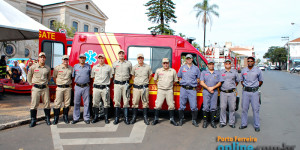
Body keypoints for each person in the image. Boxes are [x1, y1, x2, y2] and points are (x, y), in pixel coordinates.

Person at [152, 58, 178, 126]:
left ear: (169, 63)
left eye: (167, 63)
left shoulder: (173, 71)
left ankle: (172, 119)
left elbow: (175, 80)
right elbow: (155, 79)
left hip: (169, 90)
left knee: (171, 105)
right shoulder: (158, 70)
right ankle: (156, 119)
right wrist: (158, 85)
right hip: (161, 90)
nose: (165, 64)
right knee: (158, 105)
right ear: (162, 64)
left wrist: (170, 85)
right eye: (164, 63)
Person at [27, 52, 51, 127]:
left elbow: (49, 77)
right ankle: (33, 120)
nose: (42, 58)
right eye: (41, 57)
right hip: (36, 88)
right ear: (39, 58)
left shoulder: (47, 68)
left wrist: (45, 83)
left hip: (45, 87)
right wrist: (31, 84)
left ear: (45, 58)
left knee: (47, 104)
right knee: (34, 104)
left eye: (44, 57)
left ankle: (47, 119)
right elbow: (29, 76)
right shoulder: (33, 67)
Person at [240, 56, 263, 132]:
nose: (250, 62)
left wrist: (254, 87)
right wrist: (246, 86)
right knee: (244, 109)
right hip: (246, 92)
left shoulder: (258, 70)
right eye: (248, 61)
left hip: (254, 92)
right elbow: (241, 81)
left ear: (254, 62)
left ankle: (257, 125)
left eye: (251, 61)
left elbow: (260, 81)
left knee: (255, 109)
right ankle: (244, 124)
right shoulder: (244, 70)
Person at [177, 54, 201, 127]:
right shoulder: (182, 68)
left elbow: (198, 78)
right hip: (183, 89)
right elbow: (179, 77)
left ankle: (194, 120)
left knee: (194, 106)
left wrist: (194, 83)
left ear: (192, 59)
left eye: (190, 58)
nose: (188, 60)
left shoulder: (196, 68)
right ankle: (181, 119)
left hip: (192, 90)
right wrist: (181, 82)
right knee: (181, 105)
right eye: (187, 58)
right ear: (186, 60)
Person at [200, 59, 223, 128]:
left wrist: (212, 88)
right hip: (206, 91)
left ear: (214, 65)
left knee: (213, 107)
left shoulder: (218, 73)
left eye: (212, 64)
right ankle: (205, 121)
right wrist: (208, 88)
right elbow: (201, 82)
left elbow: (220, 82)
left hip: (214, 91)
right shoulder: (204, 72)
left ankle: (212, 122)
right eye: (210, 64)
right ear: (207, 65)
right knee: (205, 107)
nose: (211, 65)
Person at [130, 54, 152, 125]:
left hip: (144, 88)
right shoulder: (134, 67)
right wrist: (137, 82)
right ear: (137, 59)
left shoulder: (147, 67)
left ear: (143, 59)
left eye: (141, 58)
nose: (140, 59)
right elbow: (133, 76)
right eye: (139, 58)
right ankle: (134, 117)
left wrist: (145, 82)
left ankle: (145, 118)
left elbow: (150, 76)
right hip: (136, 88)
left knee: (145, 103)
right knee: (135, 103)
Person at [112, 49, 132, 125]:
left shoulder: (129, 64)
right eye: (120, 53)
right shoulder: (114, 64)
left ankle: (126, 118)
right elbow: (113, 74)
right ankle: (117, 118)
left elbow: (130, 74)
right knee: (117, 101)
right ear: (118, 55)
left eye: (122, 53)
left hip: (125, 84)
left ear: (124, 55)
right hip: (117, 84)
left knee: (126, 101)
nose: (121, 55)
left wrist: (125, 80)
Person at [91, 54, 112, 124]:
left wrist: (106, 83)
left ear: (104, 59)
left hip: (105, 88)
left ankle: (106, 118)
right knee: (95, 103)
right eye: (99, 58)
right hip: (96, 88)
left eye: (102, 58)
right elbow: (93, 77)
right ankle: (96, 117)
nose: (101, 59)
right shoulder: (94, 67)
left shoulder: (108, 67)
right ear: (98, 59)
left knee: (106, 103)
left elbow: (111, 77)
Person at [52, 55, 73, 125]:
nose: (65, 61)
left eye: (67, 60)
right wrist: (59, 83)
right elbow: (54, 77)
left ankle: (65, 117)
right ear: (62, 60)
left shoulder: (71, 68)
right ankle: (56, 118)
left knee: (67, 103)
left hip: (67, 87)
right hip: (60, 87)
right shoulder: (57, 68)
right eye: (64, 59)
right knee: (57, 103)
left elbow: (72, 77)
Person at [71, 54, 91, 124]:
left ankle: (86, 118)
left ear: (85, 59)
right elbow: (73, 76)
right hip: (78, 86)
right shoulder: (75, 66)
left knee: (87, 103)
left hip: (86, 86)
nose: (82, 59)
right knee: (76, 103)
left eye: (83, 58)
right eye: (81, 58)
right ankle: (76, 118)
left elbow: (90, 76)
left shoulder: (88, 66)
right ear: (79, 59)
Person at [219, 59, 239, 128]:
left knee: (232, 108)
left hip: (232, 92)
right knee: (222, 107)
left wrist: (232, 87)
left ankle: (231, 122)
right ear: (224, 64)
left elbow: (237, 81)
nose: (227, 64)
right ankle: (222, 122)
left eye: (229, 63)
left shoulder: (234, 72)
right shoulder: (221, 72)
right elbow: (219, 82)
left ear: (230, 64)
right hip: (223, 92)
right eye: (226, 63)